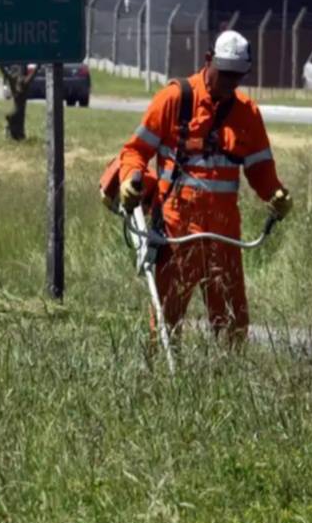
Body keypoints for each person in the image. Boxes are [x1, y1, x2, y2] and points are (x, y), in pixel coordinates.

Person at [116, 30, 293, 345]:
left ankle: (227, 373)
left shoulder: (247, 113)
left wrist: (276, 194)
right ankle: (162, 371)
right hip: (177, 231)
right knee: (166, 322)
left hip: (223, 235)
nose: (230, 83)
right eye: (225, 74)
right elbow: (135, 151)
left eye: (237, 77)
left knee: (233, 324)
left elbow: (261, 169)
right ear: (208, 60)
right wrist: (130, 179)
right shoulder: (175, 99)